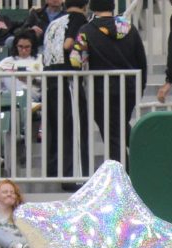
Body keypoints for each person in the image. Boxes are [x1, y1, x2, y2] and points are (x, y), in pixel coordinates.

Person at [70, 0, 147, 164]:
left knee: (112, 135)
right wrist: (139, 88)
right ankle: (144, 153)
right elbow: (142, 61)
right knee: (119, 126)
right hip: (129, 88)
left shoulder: (86, 31)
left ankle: (123, 175)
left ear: (92, 8)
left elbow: (75, 61)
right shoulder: (128, 27)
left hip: (101, 91)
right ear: (112, 6)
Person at [41, 0, 88, 182]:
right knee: (74, 127)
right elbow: (68, 44)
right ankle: (74, 176)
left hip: (51, 79)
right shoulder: (77, 19)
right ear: (85, 6)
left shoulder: (55, 22)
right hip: (67, 80)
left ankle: (57, 171)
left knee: (58, 128)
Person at [0, 30, 42, 101]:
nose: (24, 50)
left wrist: (32, 80)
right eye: (20, 47)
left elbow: (46, 83)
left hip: (31, 94)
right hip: (9, 94)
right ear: (16, 46)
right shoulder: (7, 61)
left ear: (32, 46)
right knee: (6, 73)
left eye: (27, 47)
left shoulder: (40, 59)